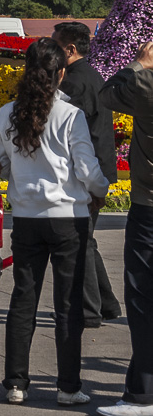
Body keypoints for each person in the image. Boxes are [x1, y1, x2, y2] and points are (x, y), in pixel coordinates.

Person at [0, 38, 106, 406]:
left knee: (23, 300)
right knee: (67, 305)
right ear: (61, 73)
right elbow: (87, 169)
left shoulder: (9, 112)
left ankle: (15, 383)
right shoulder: (69, 115)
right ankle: (68, 386)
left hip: (25, 217)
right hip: (68, 218)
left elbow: (0, 162)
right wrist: (100, 187)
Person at [52, 21, 123, 327]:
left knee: (80, 243)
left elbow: (69, 135)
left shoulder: (72, 84)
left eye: (56, 45)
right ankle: (106, 304)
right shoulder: (91, 75)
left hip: (86, 172)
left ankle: (89, 310)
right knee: (86, 240)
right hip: (99, 168)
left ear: (70, 49)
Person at [97, 42, 153, 416]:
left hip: (150, 207)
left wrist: (140, 62)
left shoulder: (148, 85)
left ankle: (143, 393)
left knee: (143, 298)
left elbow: (107, 93)